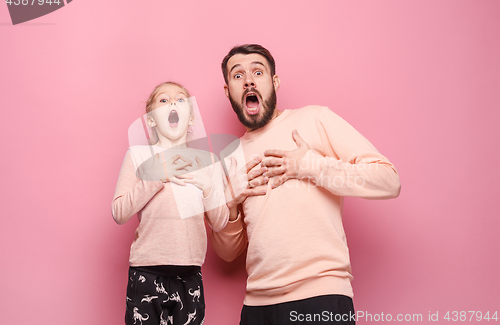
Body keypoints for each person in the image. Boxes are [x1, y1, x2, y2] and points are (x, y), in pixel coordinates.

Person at [210, 44, 401, 325]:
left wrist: (310, 165)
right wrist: (231, 204)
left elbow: (388, 180)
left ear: (274, 82)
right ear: (228, 91)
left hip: (320, 298)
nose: (249, 79)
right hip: (256, 307)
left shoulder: (314, 119)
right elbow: (227, 254)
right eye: (238, 76)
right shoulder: (229, 159)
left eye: (258, 72)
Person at [112, 82, 229, 325]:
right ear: (151, 120)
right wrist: (155, 178)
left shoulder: (208, 161)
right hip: (146, 270)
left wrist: (208, 187)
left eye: (180, 100)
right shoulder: (138, 155)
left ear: (190, 118)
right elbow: (119, 212)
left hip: (189, 274)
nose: (173, 103)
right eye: (163, 101)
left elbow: (219, 223)